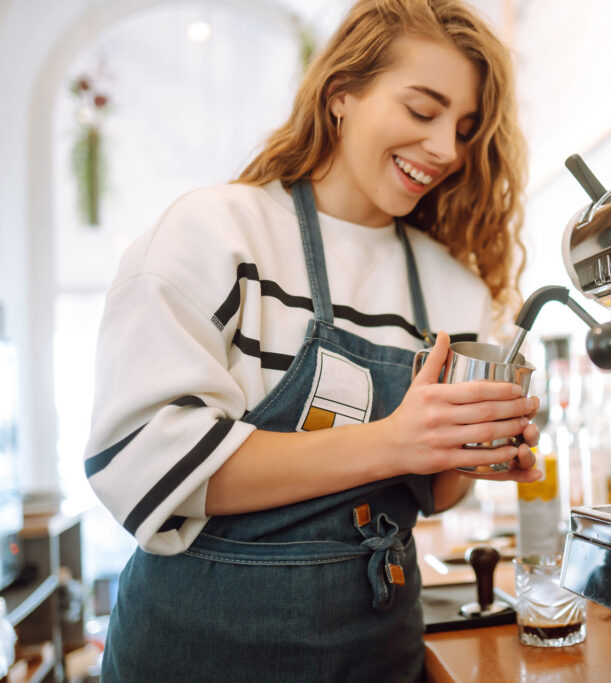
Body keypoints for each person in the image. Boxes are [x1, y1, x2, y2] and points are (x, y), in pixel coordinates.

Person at [84, 1, 540, 680]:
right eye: (422, 110)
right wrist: (395, 439)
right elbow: (149, 464)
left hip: (378, 654)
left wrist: (471, 453)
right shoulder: (214, 234)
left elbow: (428, 491)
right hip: (195, 654)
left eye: (465, 128)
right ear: (341, 96)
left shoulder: (453, 291)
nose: (447, 149)